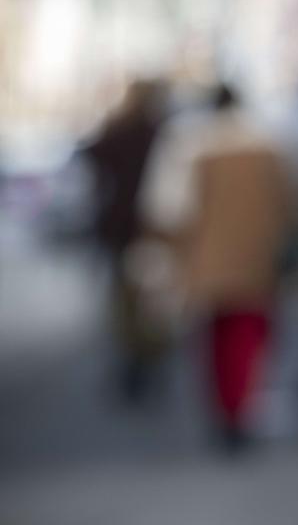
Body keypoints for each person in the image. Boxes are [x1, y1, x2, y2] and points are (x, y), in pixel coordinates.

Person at [142, 82, 291, 451]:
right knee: (249, 340)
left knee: (215, 344)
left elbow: (168, 209)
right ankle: (242, 408)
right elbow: (292, 202)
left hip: (207, 264)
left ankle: (226, 412)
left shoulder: (191, 146)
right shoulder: (268, 144)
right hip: (257, 260)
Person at [81, 78, 168, 403]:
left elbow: (91, 156)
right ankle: (144, 363)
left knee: (126, 302)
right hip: (148, 227)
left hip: (123, 228)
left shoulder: (119, 129)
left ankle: (134, 365)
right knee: (149, 301)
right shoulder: (159, 133)